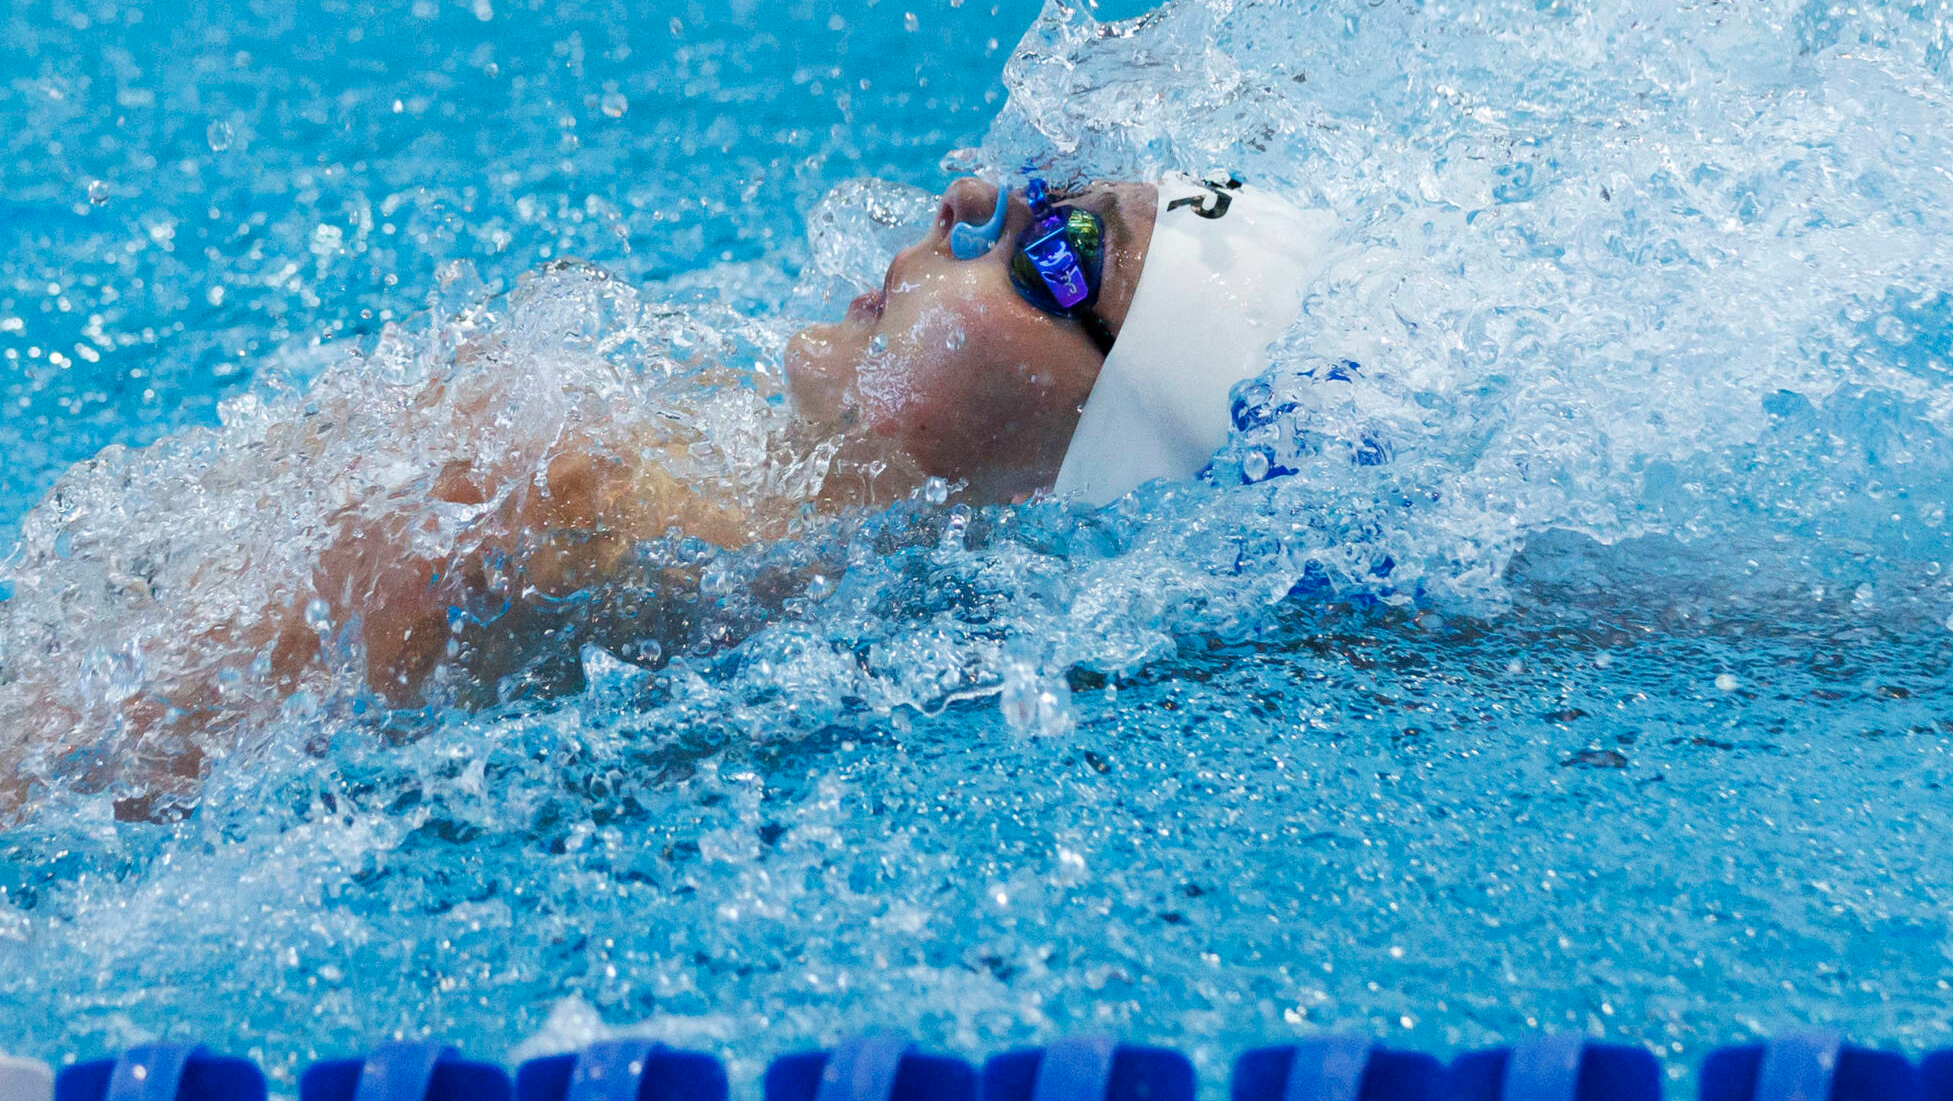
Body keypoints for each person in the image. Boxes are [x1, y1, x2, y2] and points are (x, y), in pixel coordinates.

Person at [0, 170, 1330, 815]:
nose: (973, 197)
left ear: (1104, 442)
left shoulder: (623, 521)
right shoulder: (584, 492)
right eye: (1042, 179)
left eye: (1061, 241)